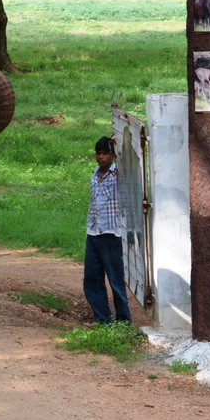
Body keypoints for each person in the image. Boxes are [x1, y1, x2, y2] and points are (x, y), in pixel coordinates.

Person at [83, 136, 132, 324]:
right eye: (98, 153)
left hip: (111, 234)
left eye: (105, 153)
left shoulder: (118, 175)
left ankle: (123, 322)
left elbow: (130, 160)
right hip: (93, 233)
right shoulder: (95, 175)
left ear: (113, 155)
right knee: (92, 279)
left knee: (115, 280)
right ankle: (103, 318)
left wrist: (119, 141)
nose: (101, 157)